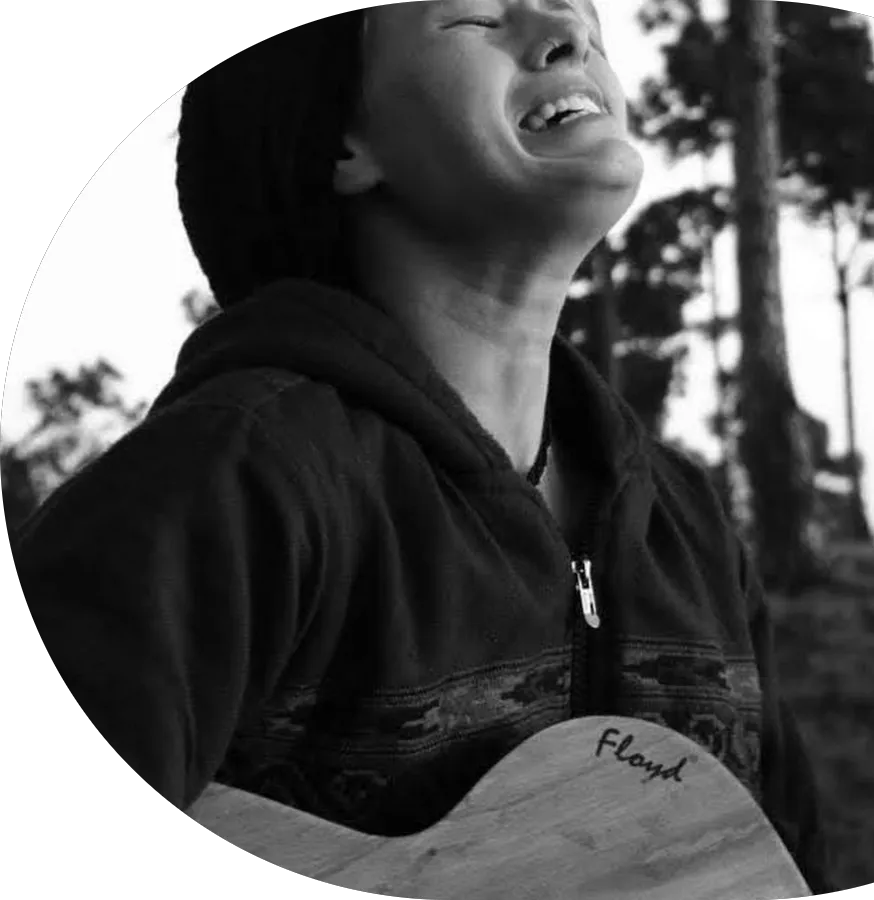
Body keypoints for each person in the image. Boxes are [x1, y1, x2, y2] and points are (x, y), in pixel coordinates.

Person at [12, 2, 831, 892]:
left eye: (577, 9)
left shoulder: (690, 526)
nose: (568, 30)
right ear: (343, 141)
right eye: (477, 15)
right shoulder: (222, 484)